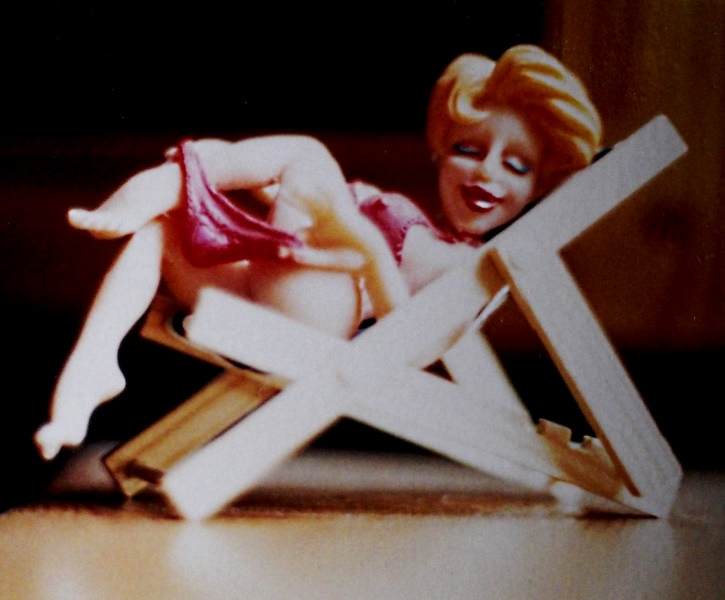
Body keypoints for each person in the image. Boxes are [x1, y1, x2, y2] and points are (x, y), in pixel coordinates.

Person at [35, 45, 601, 460]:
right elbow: (308, 209)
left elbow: (408, 344)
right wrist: (291, 200)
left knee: (307, 153)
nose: (486, 172)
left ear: (539, 187)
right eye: (468, 149)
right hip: (281, 286)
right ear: (441, 149)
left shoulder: (467, 268)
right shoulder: (428, 228)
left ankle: (182, 172)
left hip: (319, 321)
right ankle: (94, 368)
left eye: (516, 165)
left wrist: (363, 243)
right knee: (160, 232)